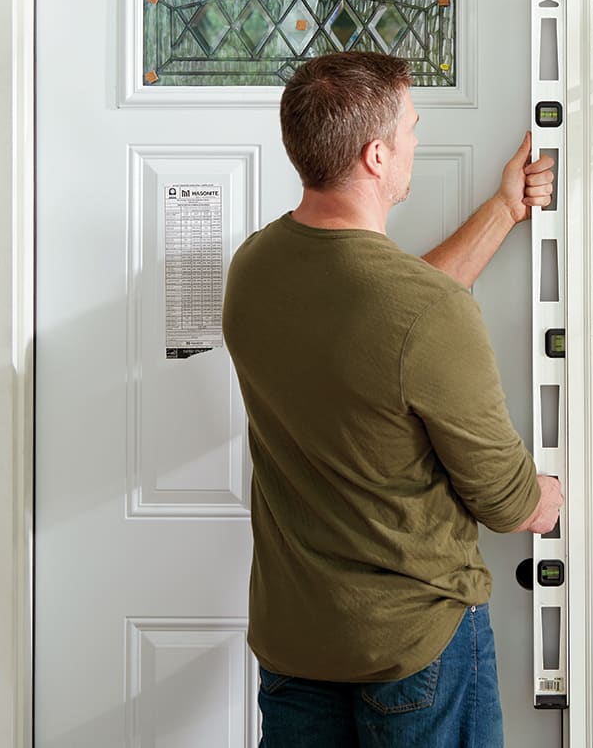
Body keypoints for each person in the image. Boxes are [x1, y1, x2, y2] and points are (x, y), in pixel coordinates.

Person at [221, 50, 564, 748]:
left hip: (296, 644)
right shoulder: (423, 314)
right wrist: (552, 496)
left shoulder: (254, 268)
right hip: (414, 650)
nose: (417, 141)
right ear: (377, 157)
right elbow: (509, 505)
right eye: (410, 128)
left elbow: (383, 322)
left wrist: (504, 211)